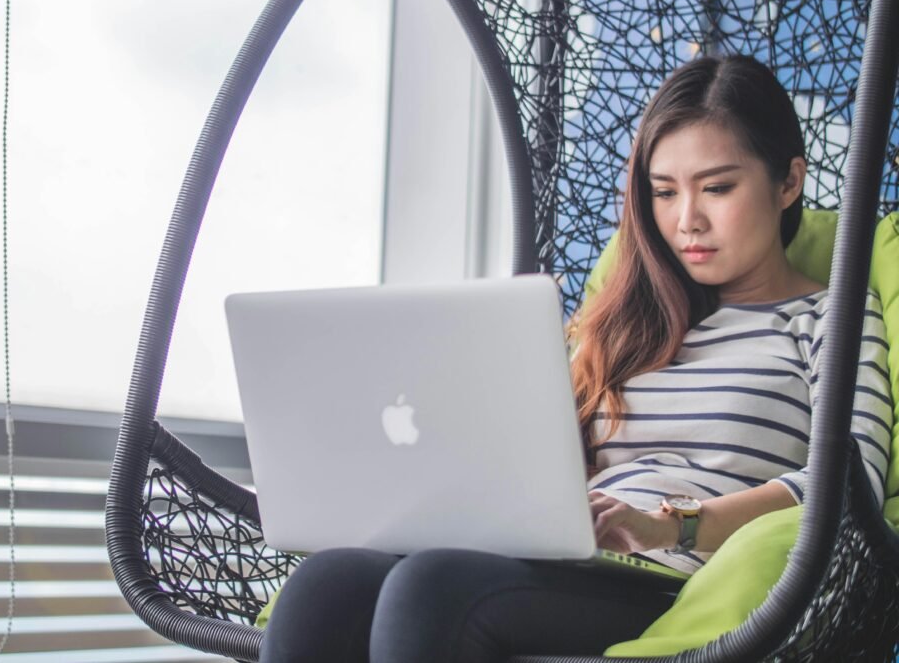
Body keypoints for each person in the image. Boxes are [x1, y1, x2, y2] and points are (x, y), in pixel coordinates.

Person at [258, 55, 892, 663]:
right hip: (571, 556)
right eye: (664, 193)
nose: (687, 221)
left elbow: (851, 485)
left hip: (677, 576)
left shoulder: (830, 318)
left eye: (717, 188)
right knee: (326, 585)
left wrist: (673, 526)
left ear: (789, 181)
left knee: (431, 592)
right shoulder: (630, 319)